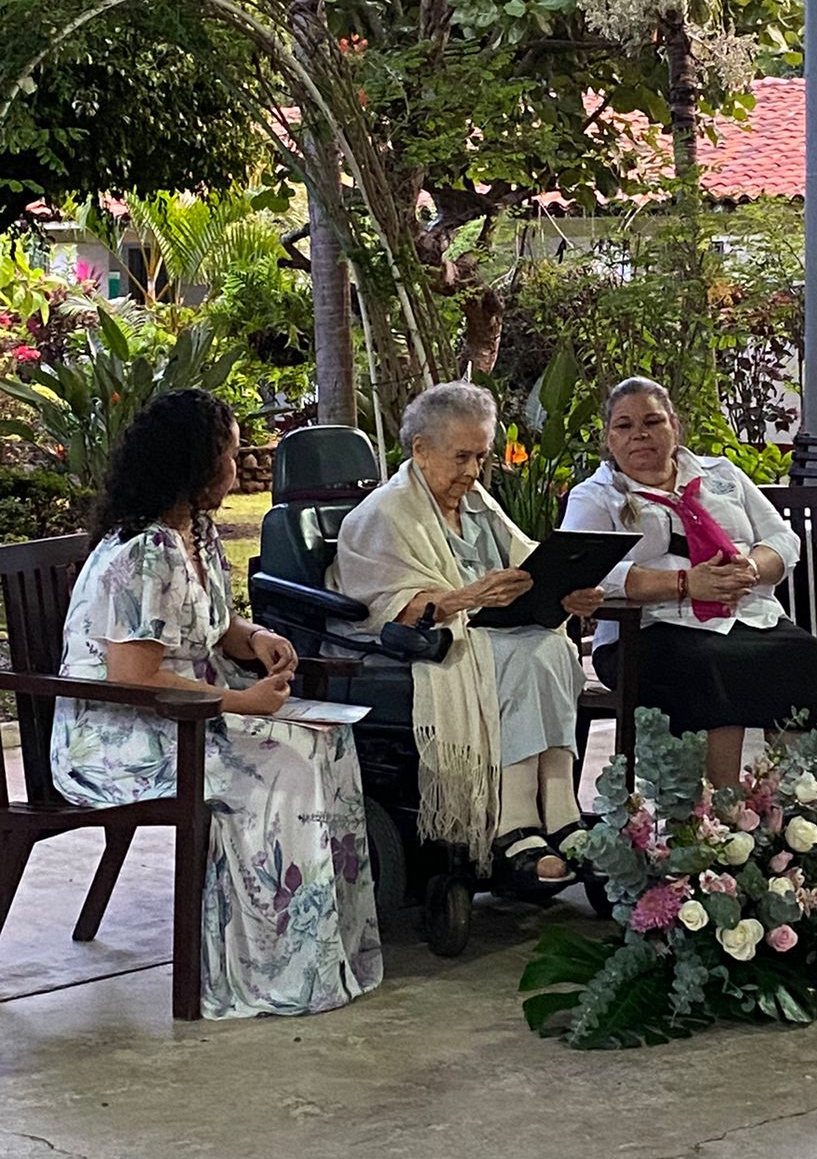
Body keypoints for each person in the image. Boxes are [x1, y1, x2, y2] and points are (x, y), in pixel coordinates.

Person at [51, 389, 382, 1019]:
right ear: (194, 465)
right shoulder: (142, 552)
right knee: (281, 768)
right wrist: (240, 700)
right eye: (229, 455)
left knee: (327, 742)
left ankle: (316, 953)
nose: (237, 466)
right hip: (122, 738)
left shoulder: (196, 534)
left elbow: (215, 623)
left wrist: (257, 639)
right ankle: (270, 971)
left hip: (185, 716)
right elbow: (132, 676)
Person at [328, 382, 603, 894]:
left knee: (552, 646)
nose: (473, 471)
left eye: (481, 456)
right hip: (415, 646)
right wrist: (466, 596)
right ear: (420, 450)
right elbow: (386, 606)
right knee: (528, 654)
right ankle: (516, 823)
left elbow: (527, 560)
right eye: (461, 457)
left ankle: (561, 810)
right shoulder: (383, 514)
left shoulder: (475, 500)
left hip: (490, 634)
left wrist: (568, 590)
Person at [561, 376, 817, 788]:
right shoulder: (597, 495)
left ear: (674, 425)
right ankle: (720, 811)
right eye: (624, 425)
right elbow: (584, 568)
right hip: (651, 629)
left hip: (747, 615)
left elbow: (782, 539)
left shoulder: (721, 474)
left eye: (652, 421)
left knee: (804, 655)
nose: (640, 434)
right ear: (609, 439)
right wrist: (684, 584)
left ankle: (794, 805)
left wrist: (750, 568)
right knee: (710, 665)